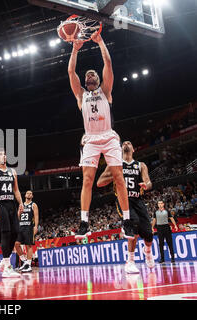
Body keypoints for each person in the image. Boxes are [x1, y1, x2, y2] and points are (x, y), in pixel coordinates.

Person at [67, 31, 134, 239]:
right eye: (87, 75)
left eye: (92, 74)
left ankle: (127, 221)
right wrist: (74, 49)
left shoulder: (106, 91)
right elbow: (71, 72)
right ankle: (84, 222)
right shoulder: (81, 96)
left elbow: (108, 63)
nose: (89, 75)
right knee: (87, 180)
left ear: (97, 78)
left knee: (118, 178)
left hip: (109, 136)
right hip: (91, 139)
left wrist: (99, 41)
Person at [97, 141, 155, 273]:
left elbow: (149, 182)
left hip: (138, 200)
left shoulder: (141, 165)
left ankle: (147, 251)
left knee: (149, 234)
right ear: (121, 149)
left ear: (133, 149)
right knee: (133, 224)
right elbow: (99, 182)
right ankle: (130, 261)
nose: (127, 143)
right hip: (124, 200)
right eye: (124, 143)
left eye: (129, 143)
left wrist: (146, 185)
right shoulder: (115, 165)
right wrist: (116, 175)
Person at [0, 149, 24, 278]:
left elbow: (16, 190)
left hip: (11, 203)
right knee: (5, 232)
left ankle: (3, 262)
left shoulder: (12, 172)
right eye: (0, 154)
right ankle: (7, 267)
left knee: (16, 231)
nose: (4, 156)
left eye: (5, 154)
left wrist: (21, 203)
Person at [14, 190, 39, 273]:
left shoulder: (33, 205)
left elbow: (36, 216)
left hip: (29, 227)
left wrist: (35, 226)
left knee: (28, 245)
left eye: (31, 193)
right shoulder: (21, 205)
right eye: (28, 193)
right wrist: (18, 212)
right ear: (25, 195)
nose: (29, 194)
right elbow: (18, 217)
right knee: (16, 244)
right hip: (21, 227)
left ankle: (28, 264)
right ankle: (24, 262)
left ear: (32, 196)